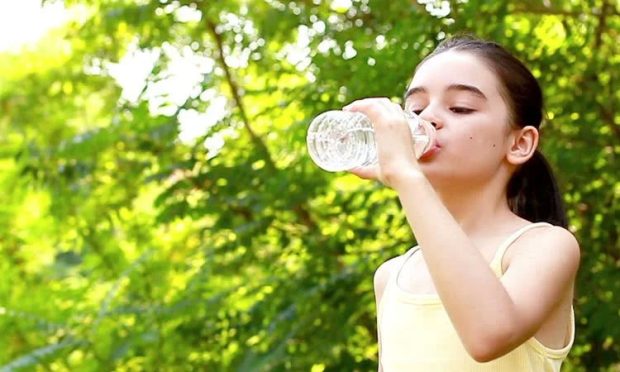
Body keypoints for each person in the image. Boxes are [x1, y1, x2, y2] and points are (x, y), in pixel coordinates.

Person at [343, 36, 580, 371]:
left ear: (520, 143)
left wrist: (407, 177)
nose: (429, 119)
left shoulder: (544, 246)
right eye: (416, 109)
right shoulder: (391, 276)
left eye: (460, 108)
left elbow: (488, 336)